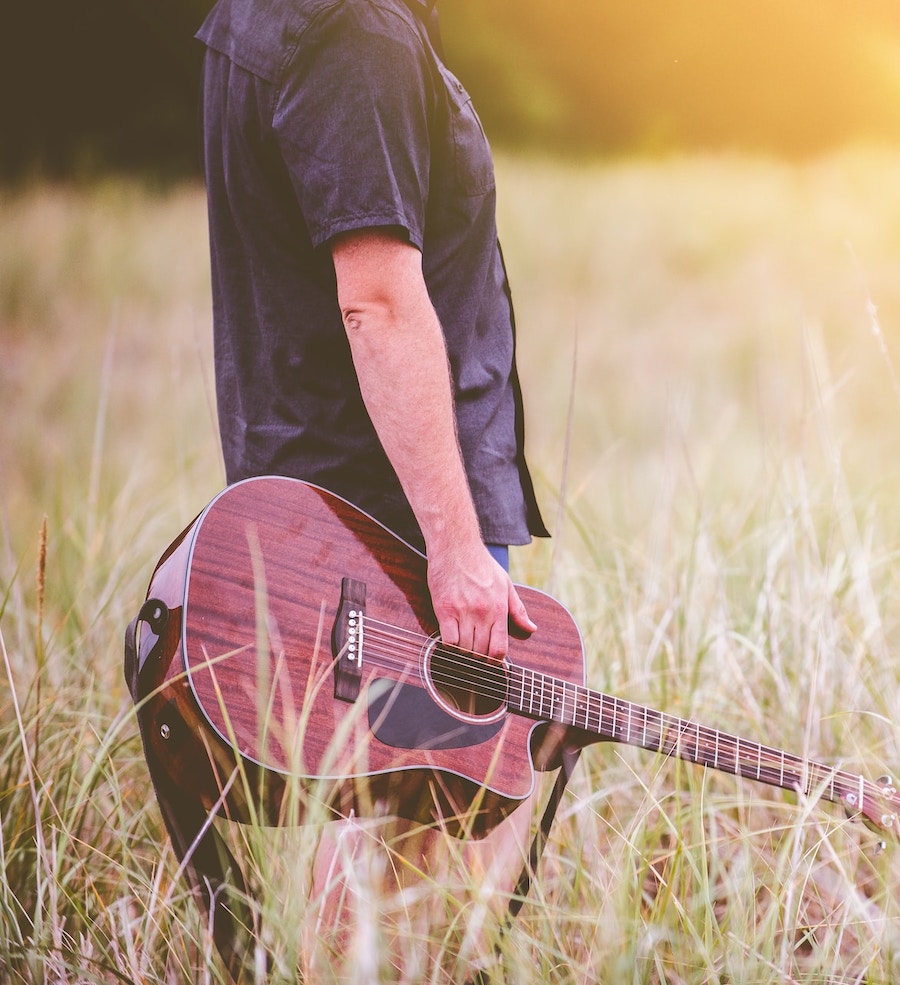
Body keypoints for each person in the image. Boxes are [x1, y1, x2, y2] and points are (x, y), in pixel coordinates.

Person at [195, 0, 554, 978]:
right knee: (413, 864)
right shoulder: (354, 35)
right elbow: (379, 302)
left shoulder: (264, 12)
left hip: (314, 499)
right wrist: (454, 546)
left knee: (352, 826)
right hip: (390, 518)